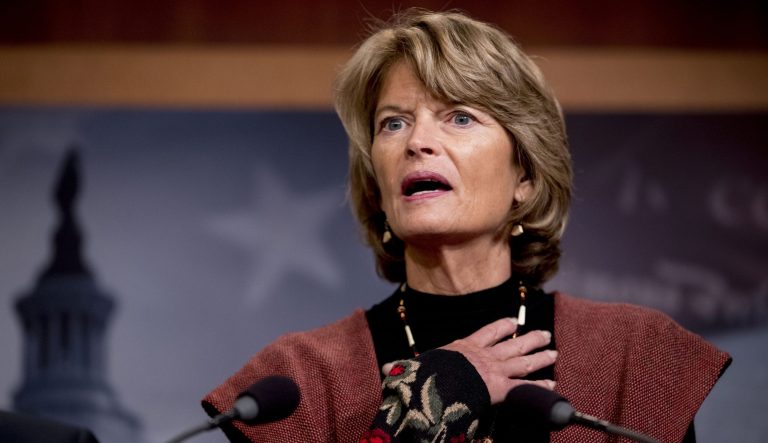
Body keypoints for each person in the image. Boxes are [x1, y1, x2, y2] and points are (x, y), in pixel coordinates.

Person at [202, 9, 730, 442]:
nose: (416, 142)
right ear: (378, 188)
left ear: (524, 174)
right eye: (394, 123)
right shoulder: (299, 381)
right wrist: (432, 400)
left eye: (459, 116)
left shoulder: (634, 358)